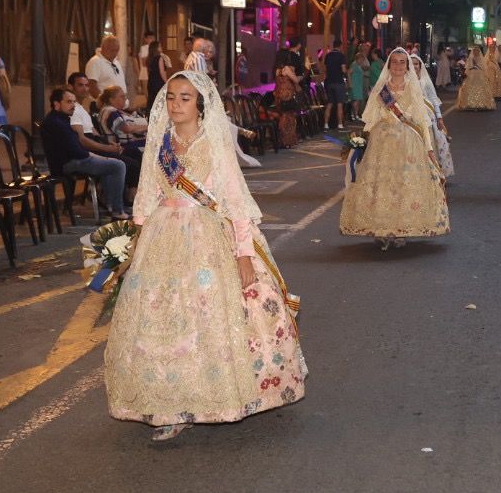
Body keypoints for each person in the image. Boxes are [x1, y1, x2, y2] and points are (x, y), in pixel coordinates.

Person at [103, 70, 305, 442]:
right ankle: (167, 403)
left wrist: (244, 254)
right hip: (162, 239)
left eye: (185, 98)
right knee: (160, 320)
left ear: (200, 104)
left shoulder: (214, 144)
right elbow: (147, 192)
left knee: (205, 318)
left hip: (207, 238)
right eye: (171, 97)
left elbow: (235, 202)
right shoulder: (159, 144)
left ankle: (208, 395)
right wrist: (134, 238)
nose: (176, 104)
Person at [339, 48, 449, 248]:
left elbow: (422, 121)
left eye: (402, 62)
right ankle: (381, 227)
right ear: (389, 65)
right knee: (382, 186)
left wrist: (429, 147)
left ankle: (402, 229)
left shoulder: (413, 89)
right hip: (382, 143)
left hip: (409, 144)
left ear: (407, 67)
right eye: (395, 62)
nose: (398, 66)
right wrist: (361, 143)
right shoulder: (381, 89)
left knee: (403, 185)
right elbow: (371, 119)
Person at [40, 87, 129, 220]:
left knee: (113, 164)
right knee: (118, 165)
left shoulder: (62, 119)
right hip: (67, 164)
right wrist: (101, 157)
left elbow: (78, 149)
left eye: (74, 102)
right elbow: (77, 152)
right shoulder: (56, 123)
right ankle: (117, 210)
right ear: (57, 104)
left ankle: (111, 206)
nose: (73, 106)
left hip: (74, 160)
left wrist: (101, 157)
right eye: (69, 102)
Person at [68, 71, 141, 190]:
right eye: (80, 85)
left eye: (87, 85)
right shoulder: (73, 109)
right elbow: (82, 139)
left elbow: (95, 133)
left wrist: (110, 144)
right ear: (71, 87)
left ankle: (131, 196)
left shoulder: (82, 109)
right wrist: (108, 148)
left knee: (136, 154)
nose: (85, 89)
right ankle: (120, 202)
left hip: (98, 144)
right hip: (86, 151)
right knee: (129, 163)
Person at [409, 52, 454, 180]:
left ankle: (434, 171)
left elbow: (433, 99)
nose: (414, 66)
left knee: (432, 143)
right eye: (411, 64)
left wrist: (439, 117)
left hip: (429, 117)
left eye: (416, 64)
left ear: (420, 65)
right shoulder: (405, 81)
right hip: (412, 117)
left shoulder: (425, 81)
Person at [98, 85, 148, 150]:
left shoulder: (115, 110)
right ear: (111, 100)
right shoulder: (110, 111)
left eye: (124, 96)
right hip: (123, 147)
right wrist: (148, 127)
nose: (125, 98)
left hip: (131, 144)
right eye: (122, 96)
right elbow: (126, 129)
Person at [458, 46, 496, 110]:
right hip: (472, 74)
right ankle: (470, 103)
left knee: (482, 87)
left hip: (480, 74)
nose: (476, 52)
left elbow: (484, 68)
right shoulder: (470, 59)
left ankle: (482, 103)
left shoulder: (481, 59)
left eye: (477, 51)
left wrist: (484, 74)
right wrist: (468, 71)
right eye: (475, 51)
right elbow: (467, 67)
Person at [322, 45, 347, 129]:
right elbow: (343, 69)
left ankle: (325, 124)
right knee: (340, 104)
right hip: (339, 82)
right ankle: (340, 124)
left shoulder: (328, 55)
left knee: (329, 103)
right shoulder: (341, 56)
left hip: (329, 82)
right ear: (340, 46)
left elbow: (325, 69)